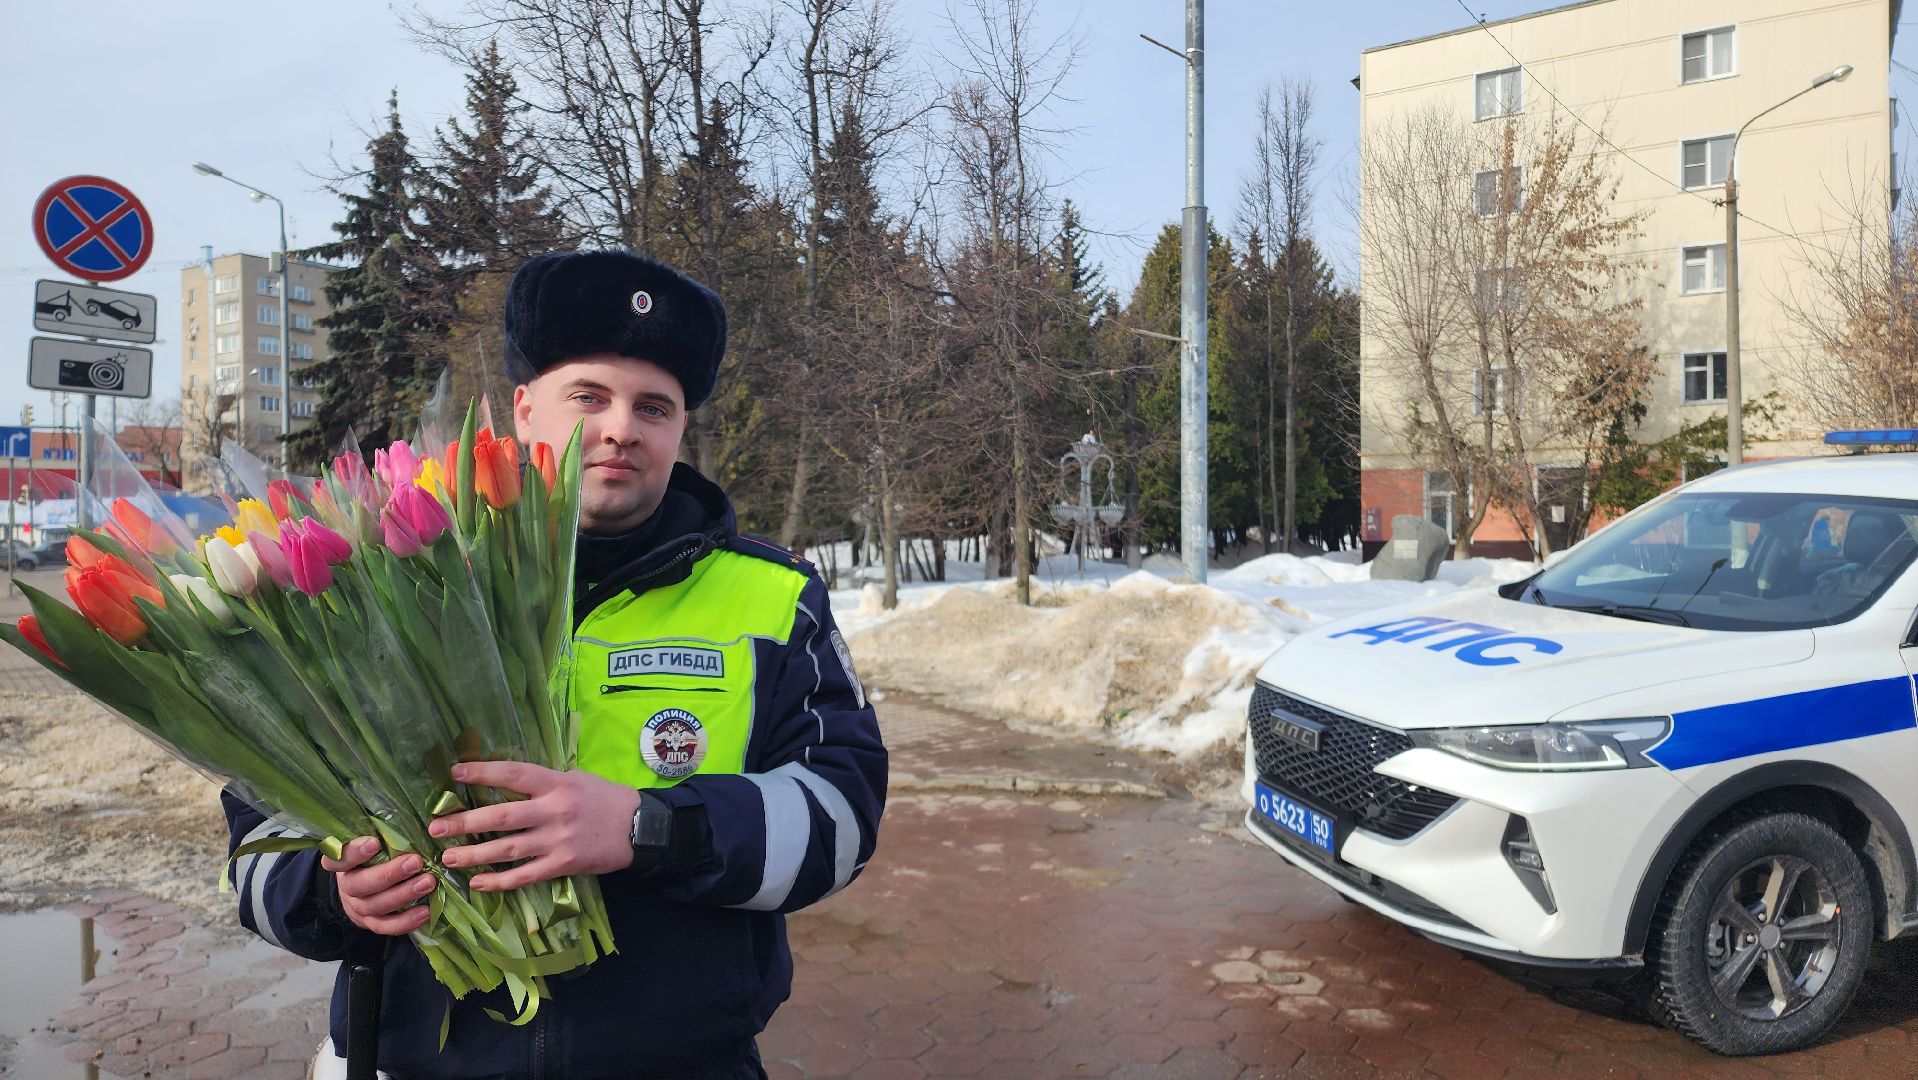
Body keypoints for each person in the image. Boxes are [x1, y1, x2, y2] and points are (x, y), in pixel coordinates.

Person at [222, 249, 888, 1079]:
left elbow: (844, 817)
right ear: (524, 407)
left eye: (654, 406)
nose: (620, 428)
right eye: (590, 397)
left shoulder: (773, 596)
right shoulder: (382, 581)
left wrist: (652, 829)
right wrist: (330, 892)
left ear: (680, 427)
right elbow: (257, 823)